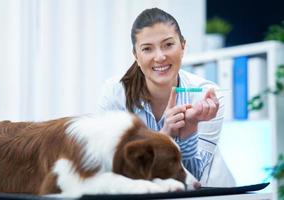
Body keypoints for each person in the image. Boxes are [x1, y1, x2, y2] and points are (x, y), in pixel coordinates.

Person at [97, 8, 235, 186]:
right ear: (136, 56)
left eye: (168, 45)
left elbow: (195, 179)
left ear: (183, 46)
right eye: (147, 49)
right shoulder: (115, 94)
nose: (160, 57)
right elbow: (112, 171)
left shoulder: (205, 95)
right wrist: (164, 136)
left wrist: (189, 132)